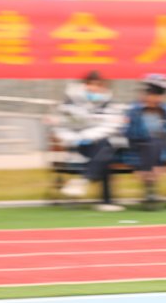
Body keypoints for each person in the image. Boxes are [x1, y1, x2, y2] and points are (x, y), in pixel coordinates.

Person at [52, 70, 127, 211]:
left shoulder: (108, 103)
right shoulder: (71, 101)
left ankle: (84, 181)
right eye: (91, 84)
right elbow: (68, 123)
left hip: (99, 143)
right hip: (80, 144)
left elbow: (112, 124)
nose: (94, 88)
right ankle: (106, 200)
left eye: (98, 85)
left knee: (106, 150)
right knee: (106, 153)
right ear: (85, 85)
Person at [125, 73, 166, 208]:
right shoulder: (135, 110)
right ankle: (151, 185)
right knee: (152, 142)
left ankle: (149, 186)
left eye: (160, 95)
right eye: (153, 95)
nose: (156, 99)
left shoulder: (164, 110)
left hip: (159, 147)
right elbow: (130, 133)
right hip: (138, 145)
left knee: (157, 142)